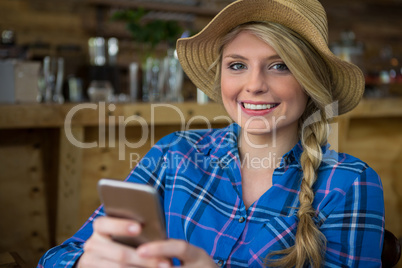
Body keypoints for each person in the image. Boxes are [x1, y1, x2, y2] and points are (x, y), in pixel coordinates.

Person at [38, 0, 385, 267]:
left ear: (310, 82)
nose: (254, 85)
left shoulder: (349, 183)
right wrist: (87, 260)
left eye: (280, 65)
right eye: (237, 65)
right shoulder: (173, 154)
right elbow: (56, 257)